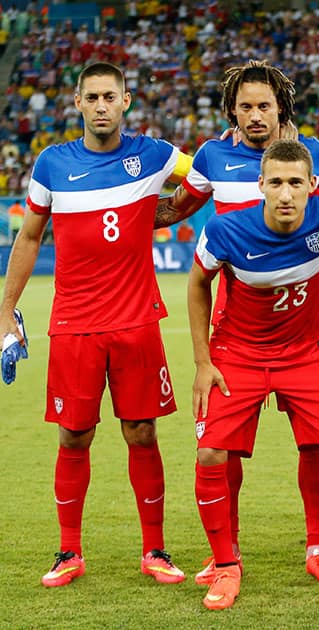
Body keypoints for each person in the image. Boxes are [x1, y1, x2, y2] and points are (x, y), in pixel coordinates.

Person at [0, 62, 189, 587]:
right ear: (78, 103)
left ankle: (155, 549)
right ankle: (68, 552)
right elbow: (31, 238)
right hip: (75, 324)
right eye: (93, 97)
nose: (102, 105)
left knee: (141, 431)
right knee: (74, 435)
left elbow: (203, 177)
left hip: (136, 322)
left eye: (111, 96)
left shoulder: (153, 153)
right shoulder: (52, 164)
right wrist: (4, 311)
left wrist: (166, 211)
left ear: (126, 101)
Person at [159, 59, 319, 584]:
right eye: (246, 107)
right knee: (225, 445)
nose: (256, 115)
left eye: (265, 105)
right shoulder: (213, 156)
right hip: (234, 329)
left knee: (315, 441)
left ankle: (317, 546)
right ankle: (225, 552)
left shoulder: (314, 155)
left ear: (281, 105)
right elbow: (176, 208)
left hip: (301, 324)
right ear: (231, 111)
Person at [188, 139, 319, 609]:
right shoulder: (225, 229)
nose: (285, 193)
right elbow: (197, 284)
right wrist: (203, 362)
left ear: (312, 184)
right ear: (260, 185)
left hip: (305, 353)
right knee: (210, 456)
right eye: (275, 183)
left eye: (295, 182)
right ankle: (226, 566)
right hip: (238, 354)